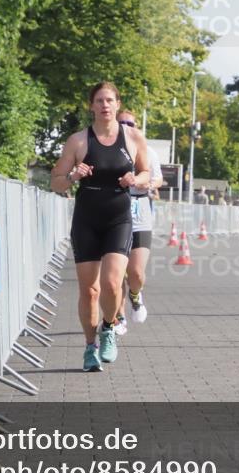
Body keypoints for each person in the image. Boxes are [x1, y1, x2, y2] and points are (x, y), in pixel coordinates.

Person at [51, 82, 150, 372]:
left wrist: (135, 180)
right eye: (99, 101)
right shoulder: (78, 141)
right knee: (90, 291)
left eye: (109, 100)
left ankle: (109, 327)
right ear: (91, 106)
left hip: (118, 218)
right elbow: (55, 181)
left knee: (110, 282)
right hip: (86, 219)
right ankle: (90, 346)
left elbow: (146, 173)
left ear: (117, 104)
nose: (105, 105)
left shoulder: (133, 137)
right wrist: (72, 174)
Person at [113, 109, 162, 335]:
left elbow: (158, 178)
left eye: (130, 123)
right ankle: (119, 317)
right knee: (116, 273)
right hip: (114, 213)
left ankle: (135, 295)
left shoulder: (147, 150)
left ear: (136, 126)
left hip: (140, 213)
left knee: (136, 273)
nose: (126, 126)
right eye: (122, 122)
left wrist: (148, 184)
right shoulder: (109, 148)